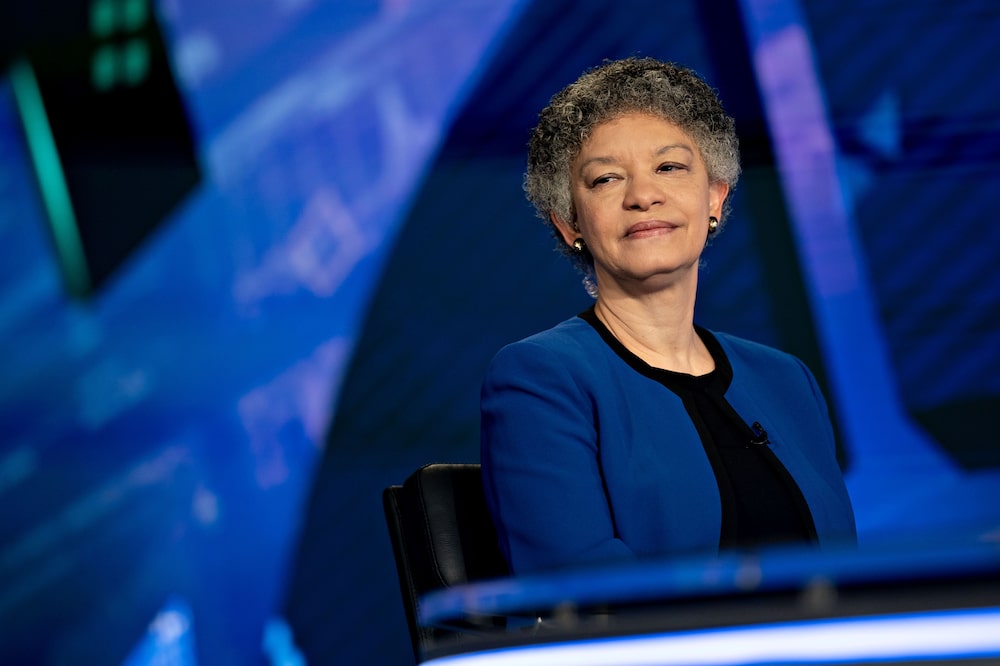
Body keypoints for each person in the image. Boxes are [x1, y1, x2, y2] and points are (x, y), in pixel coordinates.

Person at [480, 57, 856, 574]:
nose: (643, 196)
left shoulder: (787, 379)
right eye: (607, 179)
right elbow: (581, 588)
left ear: (714, 198)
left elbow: (844, 573)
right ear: (570, 224)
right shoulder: (541, 379)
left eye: (670, 167)